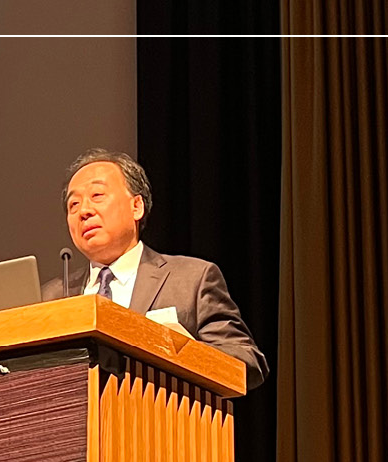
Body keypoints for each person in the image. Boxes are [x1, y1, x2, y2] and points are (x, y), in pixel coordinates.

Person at [41, 149, 268, 389]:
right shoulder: (50, 297)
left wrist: (176, 352)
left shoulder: (191, 279)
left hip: (161, 420)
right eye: (73, 204)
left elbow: (247, 363)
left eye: (97, 195)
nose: (84, 211)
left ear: (136, 206)